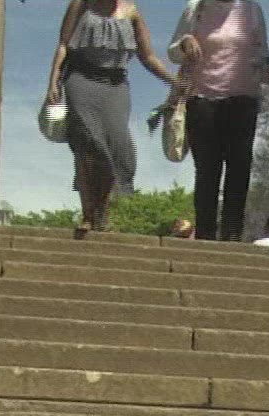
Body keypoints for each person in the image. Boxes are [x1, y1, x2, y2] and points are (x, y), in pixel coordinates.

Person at [46, 0, 180, 239]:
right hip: (80, 80)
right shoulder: (81, 5)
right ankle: (88, 214)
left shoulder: (132, 12)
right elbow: (64, 44)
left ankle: (102, 212)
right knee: (88, 144)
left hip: (115, 86)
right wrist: (53, 81)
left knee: (117, 148)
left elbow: (148, 56)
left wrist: (174, 81)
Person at [168, 0, 269, 242]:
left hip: (243, 100)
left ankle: (232, 234)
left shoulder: (252, 9)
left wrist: (265, 68)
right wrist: (185, 43)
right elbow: (173, 52)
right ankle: (205, 233)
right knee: (207, 169)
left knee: (239, 167)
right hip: (202, 99)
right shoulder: (196, 7)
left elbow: (264, 54)